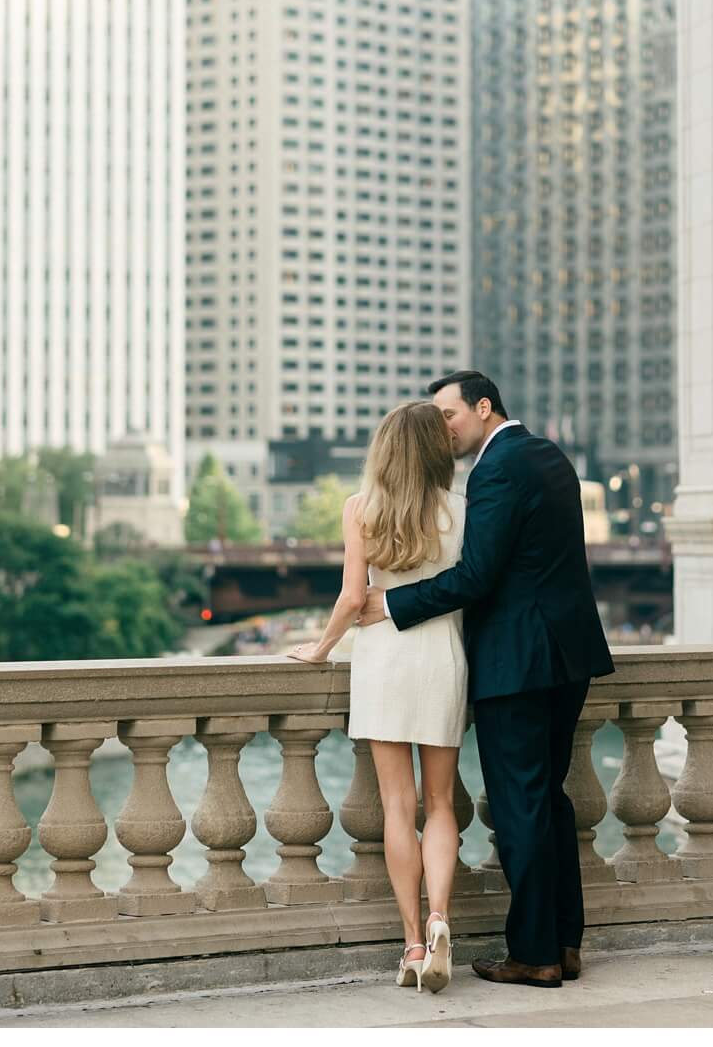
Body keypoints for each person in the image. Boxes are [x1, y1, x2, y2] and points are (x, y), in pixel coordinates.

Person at [358, 371, 616, 988]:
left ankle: (535, 955)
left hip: (518, 662)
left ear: (483, 406)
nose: (442, 429)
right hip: (568, 655)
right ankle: (565, 942)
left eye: (449, 415)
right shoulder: (550, 455)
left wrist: (390, 605)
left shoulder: (495, 470)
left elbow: (476, 577)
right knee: (549, 800)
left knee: (520, 805)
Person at [287, 400, 468, 993]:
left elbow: (351, 596)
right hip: (441, 655)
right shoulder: (460, 511)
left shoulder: (361, 509)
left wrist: (320, 649)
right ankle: (442, 917)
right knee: (441, 803)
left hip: (384, 660)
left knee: (399, 807)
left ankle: (414, 943)